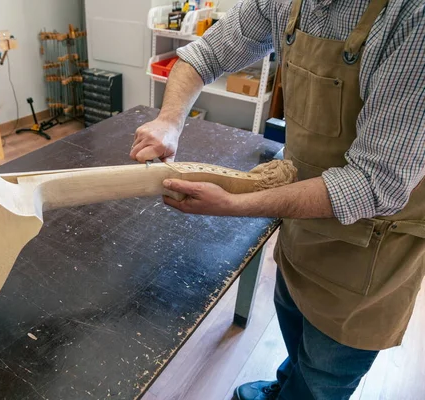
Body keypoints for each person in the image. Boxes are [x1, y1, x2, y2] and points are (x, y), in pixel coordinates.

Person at [130, 0, 425, 399]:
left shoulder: (412, 16)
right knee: (293, 315)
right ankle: (287, 386)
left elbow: (377, 184)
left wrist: (234, 205)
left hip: (372, 245)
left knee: (326, 372)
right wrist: (169, 120)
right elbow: (206, 53)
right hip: (303, 210)